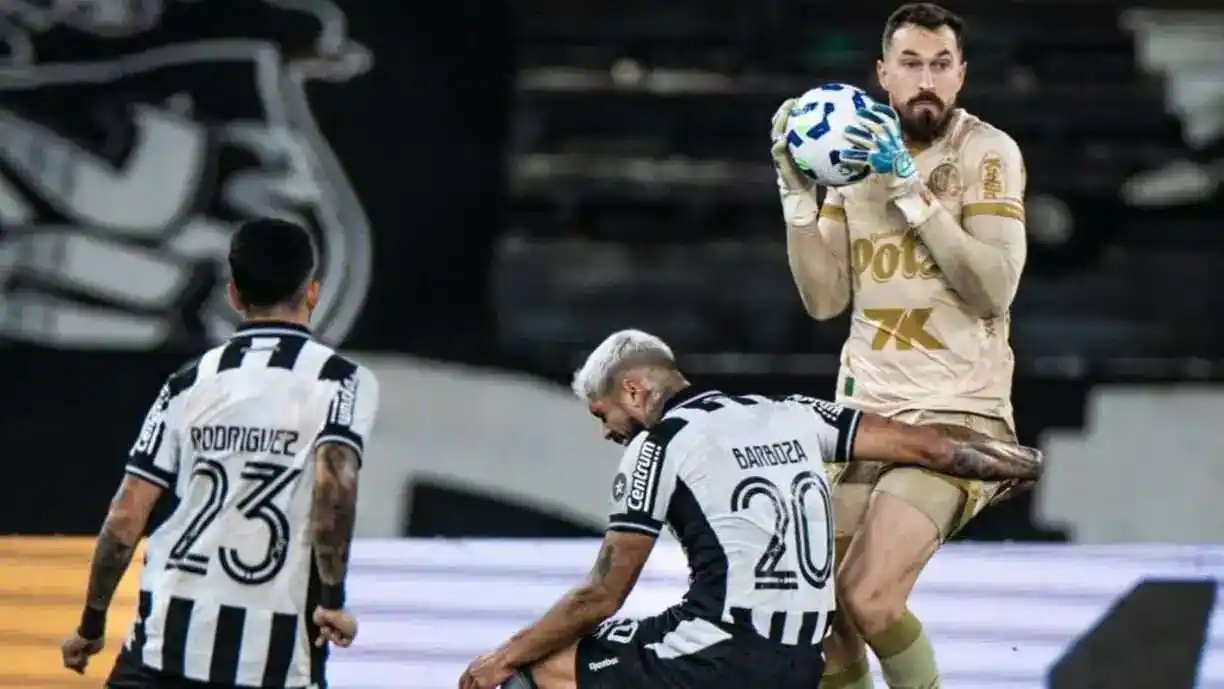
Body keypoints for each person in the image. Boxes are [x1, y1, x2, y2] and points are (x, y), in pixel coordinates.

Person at [458, 329, 1041, 689]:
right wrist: (1023, 464)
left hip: (723, 655)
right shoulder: (790, 412)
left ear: (633, 392)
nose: (607, 430)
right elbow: (931, 445)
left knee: (531, 675)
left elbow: (602, 595)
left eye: (602, 413)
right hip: (800, 664)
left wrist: (504, 654)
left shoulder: (657, 446)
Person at [772, 3, 1030, 688]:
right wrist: (798, 197)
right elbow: (826, 300)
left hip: (958, 416)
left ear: (961, 74)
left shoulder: (986, 154)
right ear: (882, 74)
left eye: (941, 65)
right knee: (815, 622)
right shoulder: (850, 156)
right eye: (911, 64)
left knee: (870, 593)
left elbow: (994, 289)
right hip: (865, 420)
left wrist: (913, 195)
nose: (927, 81)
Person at [60, 218, 380, 688]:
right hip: (272, 663)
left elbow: (125, 515)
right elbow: (334, 487)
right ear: (312, 292)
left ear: (233, 295)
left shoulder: (188, 382)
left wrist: (91, 624)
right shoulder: (343, 380)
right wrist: (331, 599)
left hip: (160, 650)